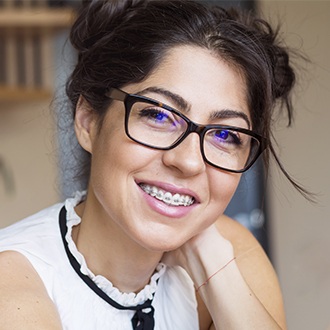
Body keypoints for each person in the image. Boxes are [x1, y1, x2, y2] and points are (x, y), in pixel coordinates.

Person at [0, 0, 302, 329]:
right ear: (88, 122)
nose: (188, 161)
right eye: (158, 115)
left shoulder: (229, 251)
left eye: (226, 135)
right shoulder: (13, 288)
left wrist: (212, 260)